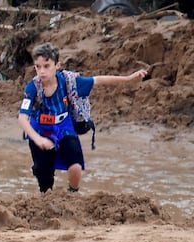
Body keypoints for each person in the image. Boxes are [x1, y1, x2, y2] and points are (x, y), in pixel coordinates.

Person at [19, 42, 148, 193]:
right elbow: (22, 118)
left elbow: (98, 80)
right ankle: (46, 199)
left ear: (57, 65)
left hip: (63, 127)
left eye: (46, 66)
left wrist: (128, 79)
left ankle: (72, 196)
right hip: (39, 130)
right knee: (44, 178)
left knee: (76, 167)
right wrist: (37, 139)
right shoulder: (32, 87)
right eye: (38, 66)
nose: (42, 71)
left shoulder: (70, 81)